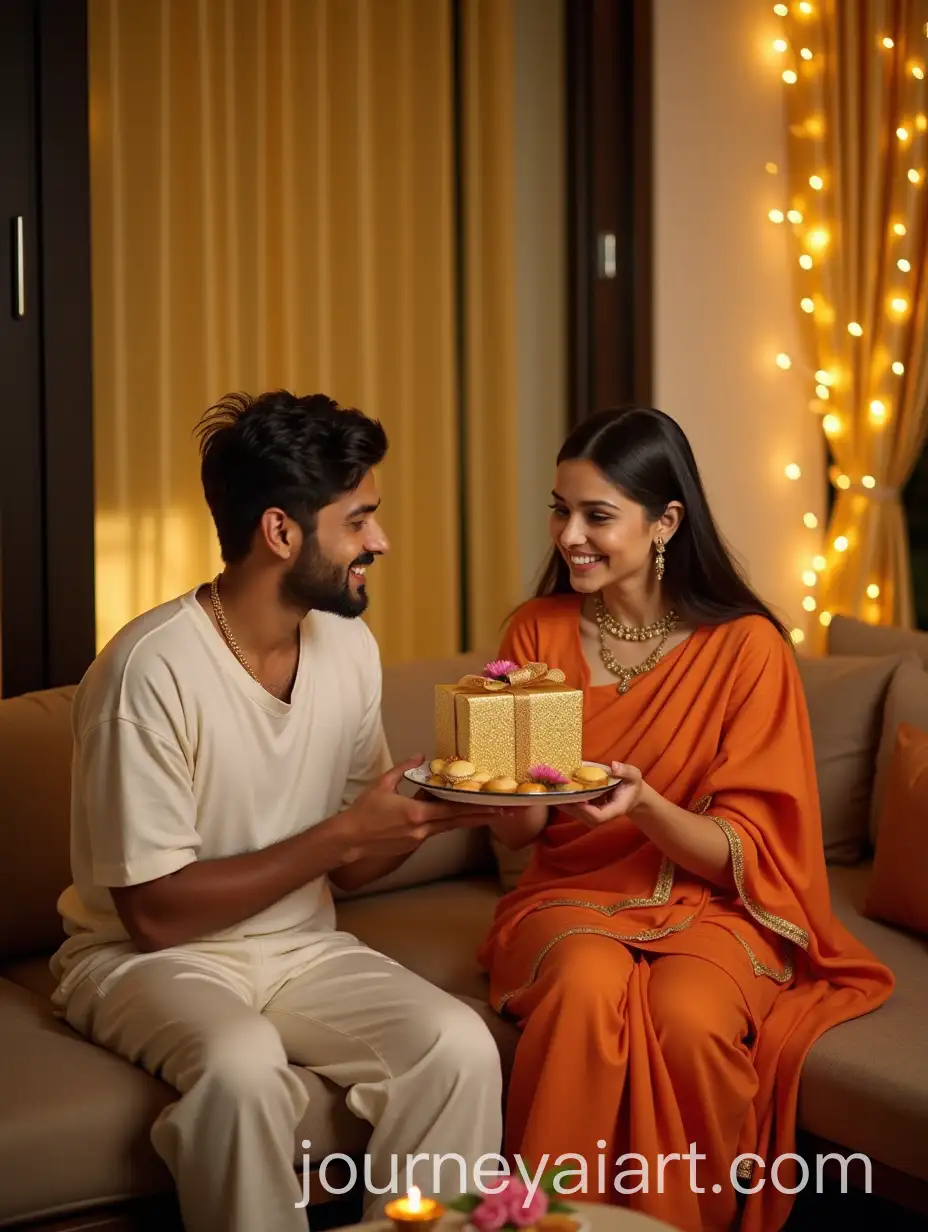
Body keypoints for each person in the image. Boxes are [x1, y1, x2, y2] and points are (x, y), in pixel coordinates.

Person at [49, 391, 507, 1232]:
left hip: (301, 948)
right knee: (242, 1062)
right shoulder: (147, 674)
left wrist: (427, 813)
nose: (381, 542)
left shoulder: (349, 648)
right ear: (281, 532)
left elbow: (354, 860)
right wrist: (342, 833)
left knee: (457, 1047)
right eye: (360, 520)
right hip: (144, 964)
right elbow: (152, 916)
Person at [478, 407, 894, 1232]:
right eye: (561, 510)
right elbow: (520, 838)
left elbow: (750, 851)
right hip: (569, 895)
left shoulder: (745, 649)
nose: (570, 536)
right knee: (588, 990)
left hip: (713, 904)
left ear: (667, 521)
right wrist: (510, 786)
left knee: (690, 1017)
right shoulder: (536, 633)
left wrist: (648, 807)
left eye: (598, 515)